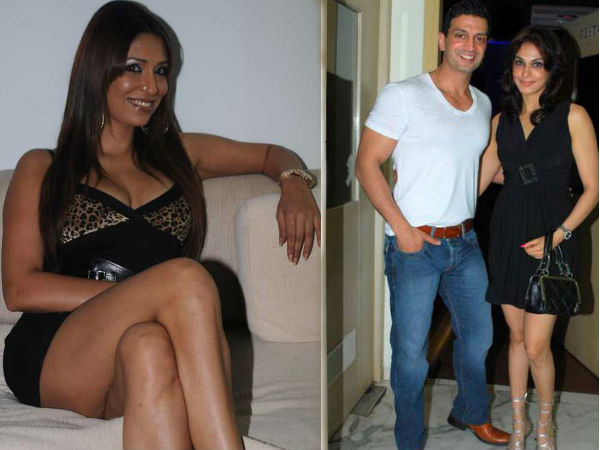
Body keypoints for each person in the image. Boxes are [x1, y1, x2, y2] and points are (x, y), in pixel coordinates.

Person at [1, 2, 320, 449]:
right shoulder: (44, 166)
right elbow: (19, 289)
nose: (151, 87)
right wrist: (144, 297)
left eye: (162, 71)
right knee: (187, 278)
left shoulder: (180, 154)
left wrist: (294, 182)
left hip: (138, 353)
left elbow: (270, 155)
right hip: (60, 350)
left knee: (148, 344)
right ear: (98, 69)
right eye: (134, 68)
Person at [355, 1, 509, 448]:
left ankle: (471, 412)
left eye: (479, 38)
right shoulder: (403, 95)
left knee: (478, 338)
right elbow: (366, 164)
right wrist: (402, 230)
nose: (470, 45)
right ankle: (409, 441)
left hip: (465, 243)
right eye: (461, 34)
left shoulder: (482, 104)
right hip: (414, 246)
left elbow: (471, 171)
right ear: (443, 40)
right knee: (410, 357)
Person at [479, 27, 598, 450]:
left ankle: (545, 424)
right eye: (519, 62)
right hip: (509, 234)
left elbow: (593, 188)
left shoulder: (573, 116)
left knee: (535, 345)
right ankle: (519, 423)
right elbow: (476, 182)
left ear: (551, 70)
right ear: (510, 68)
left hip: (555, 238)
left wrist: (557, 236)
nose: (526, 73)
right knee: (514, 338)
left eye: (537, 64)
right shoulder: (501, 122)